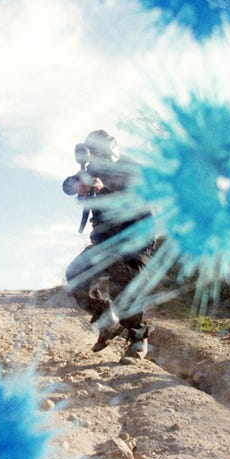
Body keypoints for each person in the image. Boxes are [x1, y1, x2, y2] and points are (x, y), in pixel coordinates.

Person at [63, 130, 156, 364]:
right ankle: (107, 320)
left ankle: (137, 338)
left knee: (123, 273)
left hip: (135, 238)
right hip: (105, 240)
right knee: (75, 274)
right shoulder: (90, 172)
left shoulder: (130, 168)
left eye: (96, 150)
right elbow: (66, 185)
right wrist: (78, 186)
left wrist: (103, 189)